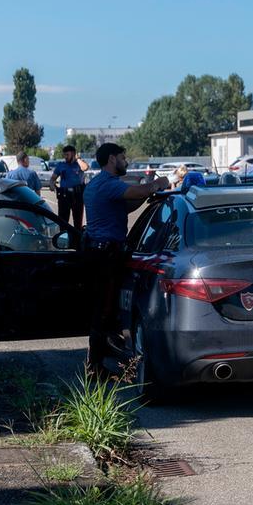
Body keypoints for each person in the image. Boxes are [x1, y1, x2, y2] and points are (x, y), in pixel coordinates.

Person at [82, 142, 176, 370]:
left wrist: (146, 193)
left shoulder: (96, 184)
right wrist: (158, 183)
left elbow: (126, 207)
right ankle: (94, 366)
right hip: (106, 256)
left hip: (97, 252)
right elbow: (140, 192)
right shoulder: (109, 184)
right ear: (112, 159)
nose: (126, 162)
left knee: (103, 308)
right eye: (123, 158)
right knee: (103, 309)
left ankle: (100, 358)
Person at [50, 144, 89, 231]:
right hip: (64, 196)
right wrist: (52, 185)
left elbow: (85, 168)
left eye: (67, 155)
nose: (65, 157)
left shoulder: (79, 164)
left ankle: (77, 242)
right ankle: (63, 241)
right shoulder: (61, 165)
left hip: (77, 195)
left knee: (78, 222)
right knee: (63, 221)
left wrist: (78, 159)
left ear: (73, 154)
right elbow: (52, 178)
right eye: (64, 155)